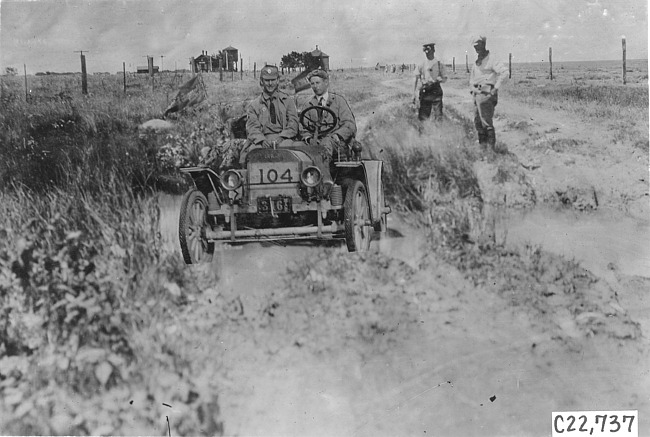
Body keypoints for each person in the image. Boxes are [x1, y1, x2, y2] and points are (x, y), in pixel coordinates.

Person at [242, 65, 300, 162]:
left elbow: (293, 123)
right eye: (267, 80)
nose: (270, 83)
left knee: (294, 154)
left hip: (284, 139)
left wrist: (282, 136)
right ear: (261, 81)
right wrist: (262, 140)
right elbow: (252, 127)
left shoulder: (287, 101)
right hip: (262, 140)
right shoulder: (254, 105)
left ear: (278, 80)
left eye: (273, 80)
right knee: (252, 153)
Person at [469, 35, 508, 151]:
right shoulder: (477, 61)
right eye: (475, 47)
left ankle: (491, 151)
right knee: (477, 122)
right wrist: (473, 89)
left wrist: (495, 89)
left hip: (486, 94)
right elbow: (472, 78)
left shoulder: (492, 59)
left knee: (486, 123)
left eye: (479, 46)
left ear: (484, 44)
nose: (477, 49)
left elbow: (504, 73)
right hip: (477, 94)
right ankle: (483, 148)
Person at [413, 42, 448, 121]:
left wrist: (441, 79)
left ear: (433, 50)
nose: (426, 52)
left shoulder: (439, 64)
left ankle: (438, 133)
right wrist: (414, 94)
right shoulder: (421, 64)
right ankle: (423, 133)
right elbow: (416, 78)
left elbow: (445, 78)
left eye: (428, 49)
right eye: (424, 50)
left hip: (436, 91)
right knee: (423, 117)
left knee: (438, 116)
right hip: (425, 92)